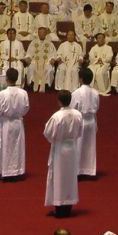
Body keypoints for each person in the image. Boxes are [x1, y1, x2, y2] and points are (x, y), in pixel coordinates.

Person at [44, 89, 83, 218]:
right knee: (70, 177)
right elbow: (79, 132)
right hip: (72, 148)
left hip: (60, 149)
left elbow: (48, 133)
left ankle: (60, 208)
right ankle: (68, 206)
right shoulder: (78, 114)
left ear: (59, 101)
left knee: (59, 177)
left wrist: (55, 139)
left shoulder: (57, 116)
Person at [0, 67, 30, 179]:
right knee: (17, 147)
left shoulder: (2, 94)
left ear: (6, 78)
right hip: (18, 122)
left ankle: (5, 171)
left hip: (6, 123)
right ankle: (17, 171)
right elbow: (26, 108)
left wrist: (3, 113)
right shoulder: (23, 93)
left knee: (5, 146)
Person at [71, 67, 99, 177]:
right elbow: (97, 106)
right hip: (91, 120)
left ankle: (77, 170)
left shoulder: (76, 93)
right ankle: (89, 170)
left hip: (80, 120)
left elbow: (73, 108)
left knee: (78, 145)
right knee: (89, 146)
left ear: (81, 79)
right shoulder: (95, 93)